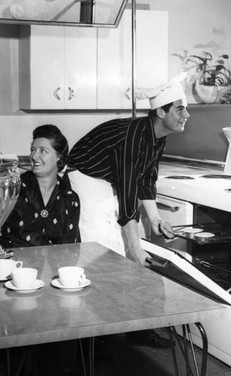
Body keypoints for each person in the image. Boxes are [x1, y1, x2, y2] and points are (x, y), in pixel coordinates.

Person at [68, 75, 189, 348]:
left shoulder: (158, 136)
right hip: (85, 178)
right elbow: (127, 194)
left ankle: (137, 328)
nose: (186, 115)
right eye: (180, 109)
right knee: (103, 254)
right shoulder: (132, 136)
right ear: (161, 112)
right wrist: (134, 246)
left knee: (125, 251)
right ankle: (95, 336)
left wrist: (155, 217)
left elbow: (145, 180)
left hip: (107, 181)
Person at [0, 124, 80, 247]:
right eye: (33, 150)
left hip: (56, 264)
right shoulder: (14, 188)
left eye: (43, 151)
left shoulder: (70, 199)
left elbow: (70, 248)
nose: (34, 156)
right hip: (16, 262)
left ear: (59, 157)